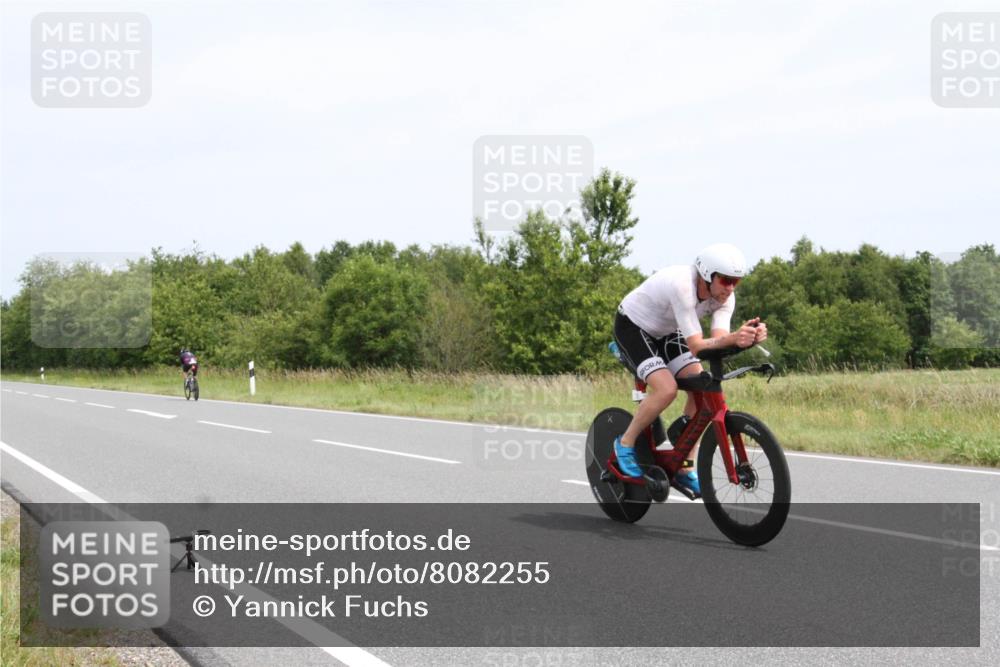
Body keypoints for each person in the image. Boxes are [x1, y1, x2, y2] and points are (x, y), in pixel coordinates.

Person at [611, 243, 767, 497]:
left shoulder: (725, 298)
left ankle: (684, 467)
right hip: (634, 327)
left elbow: (717, 341)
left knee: (701, 387)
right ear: (707, 275)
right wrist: (734, 338)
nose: (730, 288)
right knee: (666, 389)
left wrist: (746, 339)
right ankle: (625, 443)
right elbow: (696, 345)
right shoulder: (683, 285)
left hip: (668, 333)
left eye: (735, 282)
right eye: (726, 280)